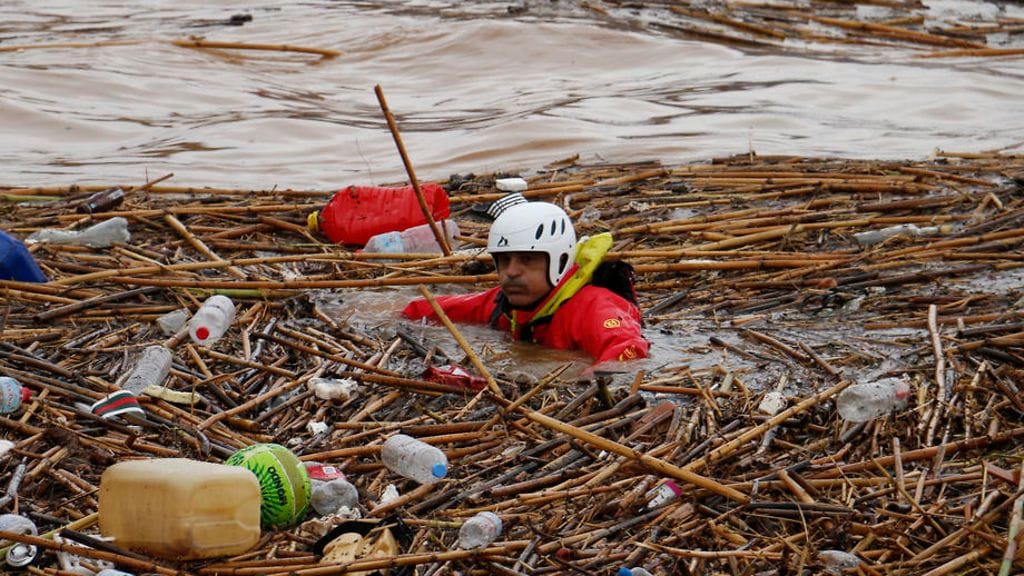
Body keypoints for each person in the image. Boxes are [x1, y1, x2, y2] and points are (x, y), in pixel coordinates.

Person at [402, 195, 649, 365]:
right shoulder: (502, 304)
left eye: (527, 259)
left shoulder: (595, 307)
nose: (511, 272)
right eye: (504, 260)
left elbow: (629, 352)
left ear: (559, 260)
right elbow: (433, 308)